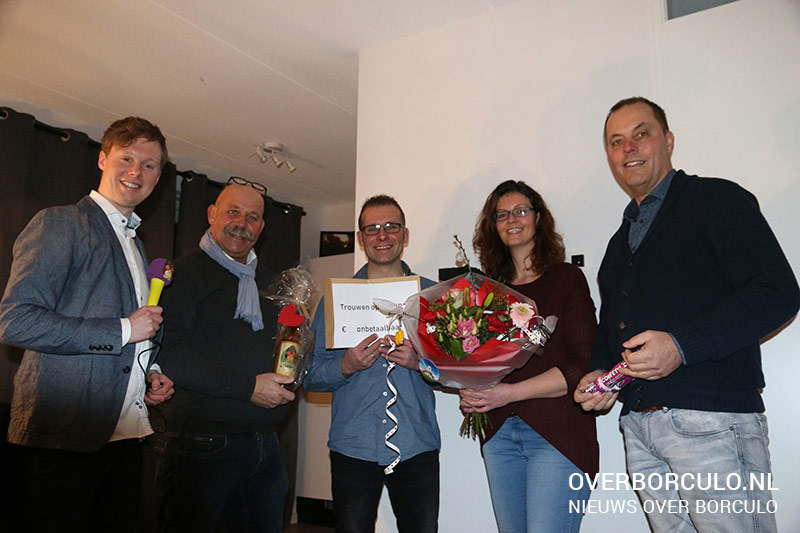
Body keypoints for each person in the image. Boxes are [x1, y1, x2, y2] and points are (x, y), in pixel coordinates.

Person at [574, 97, 800, 532]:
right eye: (616, 142)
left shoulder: (718, 199)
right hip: (639, 428)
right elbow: (611, 331)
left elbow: (778, 293)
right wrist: (599, 373)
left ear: (669, 140)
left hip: (713, 422)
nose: (629, 148)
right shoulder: (618, 243)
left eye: (642, 134)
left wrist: (680, 346)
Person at [0, 116, 173, 532]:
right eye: (126, 158)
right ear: (102, 159)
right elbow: (16, 322)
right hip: (65, 438)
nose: (136, 171)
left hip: (127, 436)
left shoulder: (137, 244)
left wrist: (151, 372)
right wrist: (122, 330)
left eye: (149, 165)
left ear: (158, 177)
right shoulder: (60, 222)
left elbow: (135, 331)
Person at [156, 178, 295, 533]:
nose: (242, 224)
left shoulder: (271, 284)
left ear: (261, 228)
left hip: (266, 442)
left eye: (252, 217)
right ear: (211, 214)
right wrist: (249, 388)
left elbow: (281, 351)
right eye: (233, 212)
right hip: (202, 446)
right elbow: (172, 355)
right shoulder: (183, 274)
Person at [459, 180, 599, 533]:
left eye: (521, 210)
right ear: (493, 226)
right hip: (499, 435)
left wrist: (507, 393)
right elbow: (475, 362)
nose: (512, 220)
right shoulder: (485, 291)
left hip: (558, 434)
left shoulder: (567, 279)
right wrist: (473, 390)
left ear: (538, 218)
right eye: (502, 214)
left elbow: (581, 365)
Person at [304, 194, 441, 533]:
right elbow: (308, 376)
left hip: (416, 445)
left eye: (391, 227)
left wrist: (419, 362)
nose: (382, 235)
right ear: (362, 238)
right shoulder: (336, 300)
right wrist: (346, 365)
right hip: (353, 446)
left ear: (405, 235)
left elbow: (454, 373)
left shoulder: (432, 297)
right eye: (372, 228)